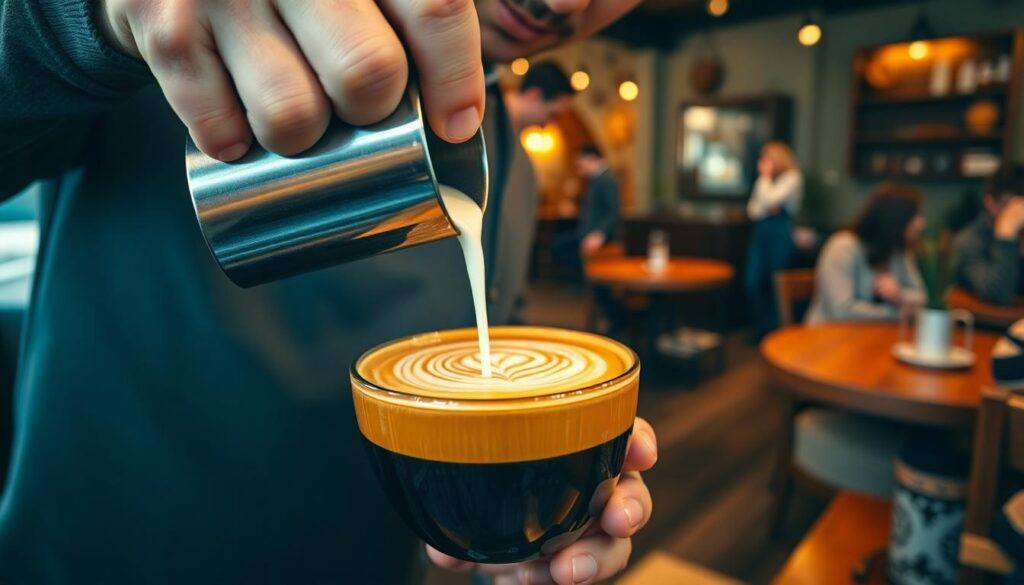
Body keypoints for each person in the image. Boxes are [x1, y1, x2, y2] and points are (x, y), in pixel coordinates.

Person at [0, 1, 657, 584]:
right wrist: (88, 19)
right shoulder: (180, 34)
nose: (565, 3)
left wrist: (522, 532)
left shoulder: (509, 165)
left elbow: (489, 361)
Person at [806, 182, 926, 324]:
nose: (921, 223)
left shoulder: (898, 251)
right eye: (915, 216)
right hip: (829, 338)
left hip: (876, 337)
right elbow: (841, 311)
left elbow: (921, 297)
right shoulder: (843, 247)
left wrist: (900, 295)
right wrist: (895, 313)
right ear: (895, 218)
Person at [744, 141, 803, 338]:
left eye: (768, 158)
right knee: (753, 281)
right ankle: (761, 328)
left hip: (780, 234)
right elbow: (753, 210)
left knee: (776, 283)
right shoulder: (764, 181)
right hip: (761, 233)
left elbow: (769, 202)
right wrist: (767, 195)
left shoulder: (792, 178)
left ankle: (776, 332)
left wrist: (766, 181)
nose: (764, 162)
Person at [952, 163, 1024, 306]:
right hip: (987, 324)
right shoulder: (969, 241)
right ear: (990, 203)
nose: (1018, 215)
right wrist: (1006, 237)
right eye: (1010, 207)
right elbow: (998, 295)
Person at [553, 144, 622, 273]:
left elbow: (612, 210)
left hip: (599, 238)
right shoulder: (595, 179)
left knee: (560, 247)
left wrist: (599, 234)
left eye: (580, 162)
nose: (579, 166)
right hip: (587, 234)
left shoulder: (606, 179)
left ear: (590, 158)